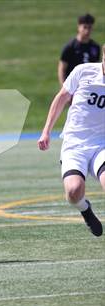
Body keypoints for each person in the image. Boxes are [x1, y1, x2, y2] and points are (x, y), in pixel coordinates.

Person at [38, 43, 105, 237]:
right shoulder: (83, 71)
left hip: (101, 144)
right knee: (74, 191)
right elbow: (61, 98)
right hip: (75, 143)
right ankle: (85, 209)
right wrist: (46, 132)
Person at [58, 13, 100, 86]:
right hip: (73, 86)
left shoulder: (95, 47)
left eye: (89, 27)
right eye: (84, 27)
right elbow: (62, 69)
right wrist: (64, 87)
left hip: (88, 86)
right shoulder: (70, 47)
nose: (87, 31)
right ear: (79, 27)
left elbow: (97, 69)